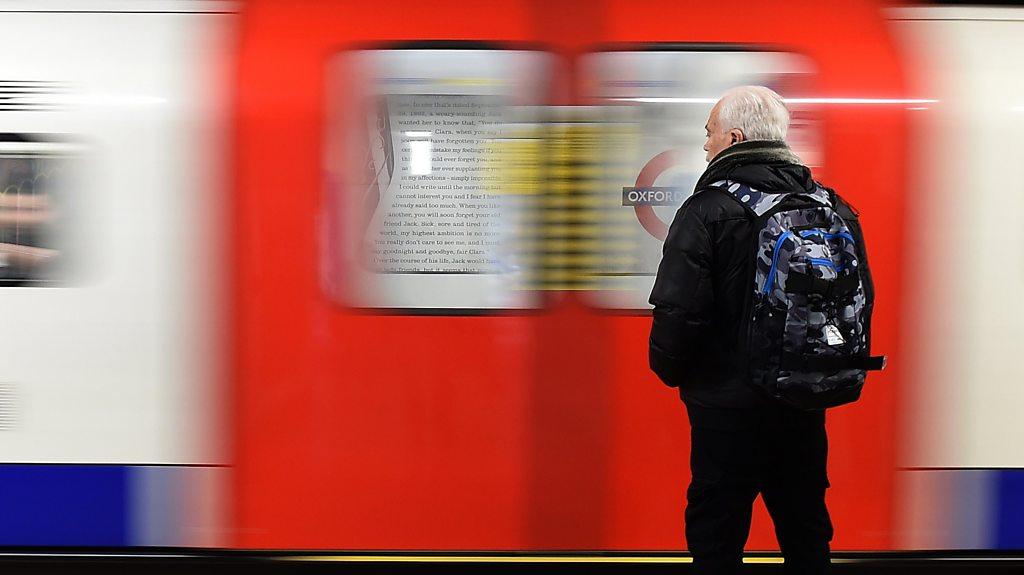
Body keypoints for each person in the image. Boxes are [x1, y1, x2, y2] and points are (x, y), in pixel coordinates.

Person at [649, 86, 871, 574]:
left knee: (718, 531)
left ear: (734, 136)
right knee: (805, 524)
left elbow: (678, 308)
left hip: (726, 403)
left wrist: (673, 371)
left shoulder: (707, 208)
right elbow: (861, 298)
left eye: (709, 134)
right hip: (803, 397)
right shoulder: (832, 205)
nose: (705, 145)